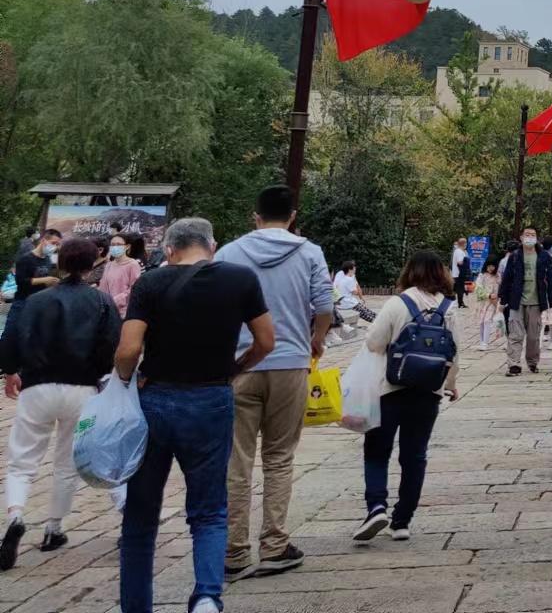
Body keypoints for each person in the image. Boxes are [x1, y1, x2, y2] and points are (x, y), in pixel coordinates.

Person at [116, 218, 274, 613]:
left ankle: (136, 605)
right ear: (212, 245)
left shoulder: (150, 282)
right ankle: (206, 595)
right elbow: (267, 341)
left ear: (168, 250)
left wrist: (122, 383)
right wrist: (235, 368)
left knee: (140, 515)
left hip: (155, 400)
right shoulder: (240, 279)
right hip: (211, 399)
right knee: (209, 510)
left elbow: (128, 350)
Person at [215, 186, 334, 579]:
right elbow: (325, 307)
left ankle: (233, 551)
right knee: (280, 458)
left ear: (256, 216)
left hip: (240, 364)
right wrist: (315, 340)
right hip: (291, 364)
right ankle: (275, 545)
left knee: (237, 460)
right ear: (293, 215)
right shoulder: (309, 252)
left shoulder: (229, 252)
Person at [0, 237, 122, 569]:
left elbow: (11, 335)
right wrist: (100, 376)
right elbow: (111, 344)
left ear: (60, 262)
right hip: (81, 388)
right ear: (93, 261)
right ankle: (54, 529)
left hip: (36, 385)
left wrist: (10, 370)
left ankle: (15, 515)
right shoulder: (101, 301)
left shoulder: (36, 301)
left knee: (22, 459)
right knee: (67, 461)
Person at [353, 251, 460, 542]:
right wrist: (451, 384)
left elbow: (374, 342)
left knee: (377, 450)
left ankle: (376, 506)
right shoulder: (449, 307)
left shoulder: (398, 303)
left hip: (390, 389)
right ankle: (402, 521)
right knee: (414, 455)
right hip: (428, 392)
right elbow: (453, 351)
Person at [499, 228, 552, 376]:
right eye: (527, 235)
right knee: (515, 334)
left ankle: (532, 362)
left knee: (533, 336)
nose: (530, 237)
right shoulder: (515, 256)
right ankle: (514, 364)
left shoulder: (544, 256)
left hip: (536, 301)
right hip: (516, 301)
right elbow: (506, 279)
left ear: (537, 238)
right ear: (521, 237)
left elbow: (551, 279)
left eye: (533, 235)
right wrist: (503, 299)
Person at [4, 229, 62, 334]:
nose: (55, 247)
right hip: (22, 302)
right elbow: (21, 281)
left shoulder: (47, 260)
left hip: (38, 304)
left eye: (57, 244)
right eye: (53, 243)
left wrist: (51, 284)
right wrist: (45, 279)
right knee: (11, 334)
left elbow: (44, 281)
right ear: (44, 240)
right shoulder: (25, 258)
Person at [98, 231, 145, 316]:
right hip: (108, 310)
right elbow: (103, 287)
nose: (115, 247)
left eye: (118, 244)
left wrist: (118, 300)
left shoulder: (133, 264)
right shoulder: (109, 265)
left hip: (124, 312)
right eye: (112, 244)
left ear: (127, 246)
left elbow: (134, 288)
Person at [474, 261, 501, 349]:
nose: (491, 268)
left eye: (493, 266)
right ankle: (482, 341)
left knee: (487, 320)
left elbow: (502, 287)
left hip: (493, 302)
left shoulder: (498, 276)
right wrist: (488, 295)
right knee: (481, 321)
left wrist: (497, 296)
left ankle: (485, 343)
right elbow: (478, 288)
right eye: (489, 266)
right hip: (483, 302)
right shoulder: (482, 276)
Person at [450, 238, 470, 309]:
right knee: (460, 289)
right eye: (466, 243)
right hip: (459, 273)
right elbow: (460, 262)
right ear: (464, 244)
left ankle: (459, 302)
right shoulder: (459, 252)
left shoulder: (458, 251)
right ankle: (460, 303)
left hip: (457, 273)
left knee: (458, 288)